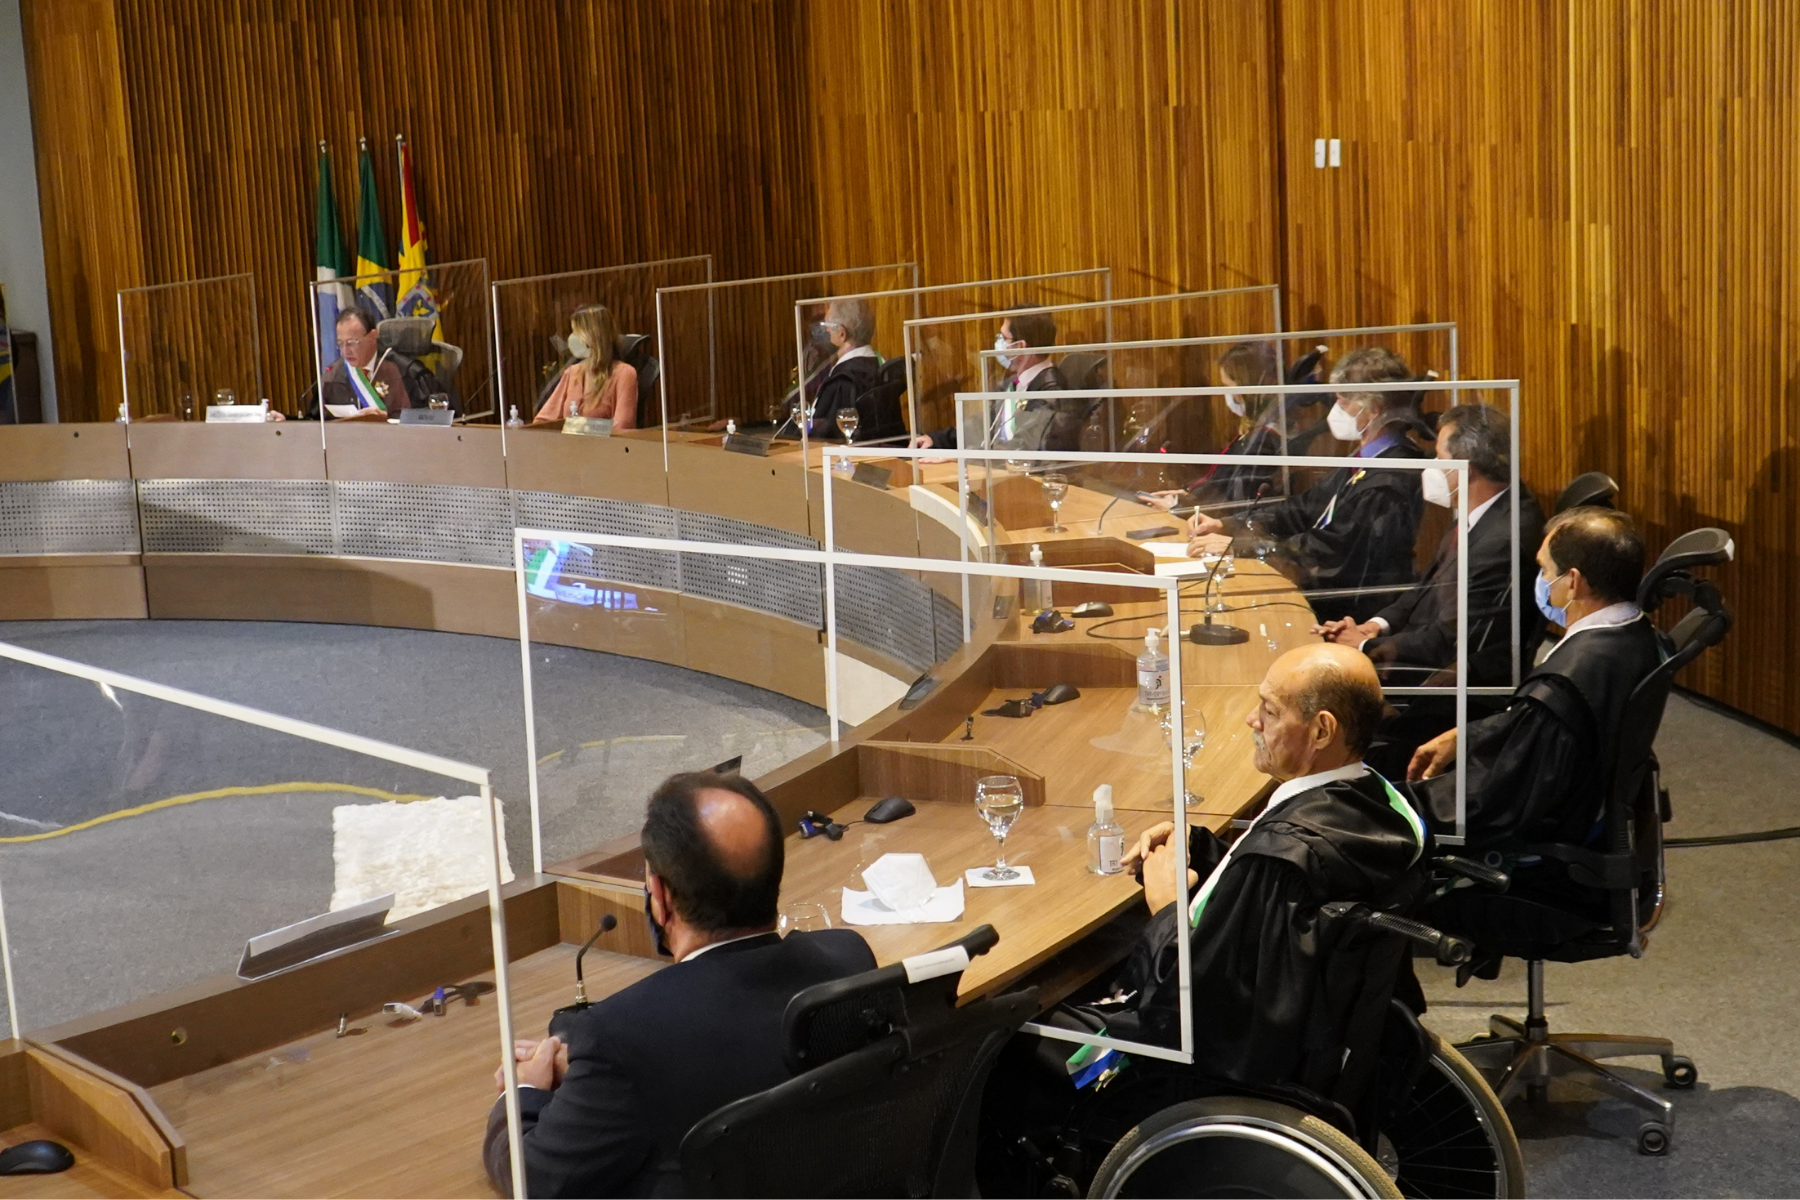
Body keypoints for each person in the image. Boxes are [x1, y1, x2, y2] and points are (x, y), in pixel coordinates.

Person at [481, 772, 875, 1198]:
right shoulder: (849, 958)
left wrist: (526, 1091)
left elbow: (537, 1181)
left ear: (660, 896)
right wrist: (590, 1076)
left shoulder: (622, 1036)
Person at [1099, 644, 1429, 1093]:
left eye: (1270, 711)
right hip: (1332, 1051)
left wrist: (1167, 905)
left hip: (1217, 1075)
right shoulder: (1376, 801)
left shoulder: (1281, 858)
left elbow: (1188, 1003)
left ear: (1321, 731)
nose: (1251, 720)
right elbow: (1279, 905)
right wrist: (1202, 850)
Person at [1406, 506, 1665, 854]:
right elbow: (1533, 733)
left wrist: (1399, 806)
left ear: (1572, 581)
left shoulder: (1568, 678)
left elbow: (1494, 801)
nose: (1541, 580)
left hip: (1542, 838)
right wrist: (1466, 737)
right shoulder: (1633, 632)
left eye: (1545, 570)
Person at [1185, 347, 1428, 623]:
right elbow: (1302, 508)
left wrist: (1240, 547)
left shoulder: (1392, 476)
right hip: (1323, 593)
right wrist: (1227, 525)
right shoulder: (1365, 458)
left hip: (1348, 614)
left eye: (1342, 401)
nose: (1335, 410)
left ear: (1373, 409)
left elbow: (1326, 550)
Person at [1316, 402, 1546, 684]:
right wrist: (1373, 627)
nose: (1432, 467)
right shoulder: (1483, 508)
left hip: (1438, 681)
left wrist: (1364, 647)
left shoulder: (1501, 542)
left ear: (1466, 469)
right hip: (1416, 650)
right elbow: (1425, 587)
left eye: (1439, 458)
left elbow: (1447, 641)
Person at [1139, 340, 1290, 509]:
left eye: (1229, 387)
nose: (1228, 396)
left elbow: (1239, 507)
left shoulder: (1266, 440)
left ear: (1248, 388)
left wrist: (1180, 509)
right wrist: (1189, 496)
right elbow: (1222, 484)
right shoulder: (1252, 433)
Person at [911, 309, 1073, 452]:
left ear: (1020, 346)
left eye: (1004, 338)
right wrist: (937, 440)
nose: (998, 344)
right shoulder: (1015, 383)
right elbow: (985, 423)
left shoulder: (1051, 389)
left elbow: (1022, 446)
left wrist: (962, 458)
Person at [534, 305, 640, 430]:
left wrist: (574, 427)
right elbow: (542, 421)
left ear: (595, 337)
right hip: (568, 447)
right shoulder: (572, 372)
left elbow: (623, 426)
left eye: (577, 333)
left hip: (603, 448)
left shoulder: (624, 373)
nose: (572, 338)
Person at [803, 298, 883, 438]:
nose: (825, 330)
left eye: (827, 325)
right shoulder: (875, 364)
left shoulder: (843, 380)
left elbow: (824, 432)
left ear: (841, 334)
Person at [321, 307, 411, 419]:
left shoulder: (404, 370)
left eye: (351, 343)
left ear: (372, 337)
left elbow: (421, 420)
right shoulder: (333, 376)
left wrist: (387, 419)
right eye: (340, 343)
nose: (345, 352)